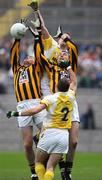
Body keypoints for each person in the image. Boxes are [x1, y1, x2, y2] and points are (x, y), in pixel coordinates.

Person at [28, 2, 80, 180]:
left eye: (64, 49)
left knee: (74, 141)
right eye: (61, 45)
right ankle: (61, 170)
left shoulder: (70, 54)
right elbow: (43, 29)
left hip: (71, 101)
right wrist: (37, 11)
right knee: (59, 139)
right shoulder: (52, 60)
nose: (63, 52)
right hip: (58, 102)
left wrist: (65, 37)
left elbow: (69, 43)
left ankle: (66, 169)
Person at [7, 65, 77, 180]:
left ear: (55, 86)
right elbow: (74, 81)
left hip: (49, 133)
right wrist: (68, 67)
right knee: (50, 168)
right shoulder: (71, 96)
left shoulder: (50, 98)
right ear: (69, 87)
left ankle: (38, 138)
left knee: (38, 163)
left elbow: (35, 110)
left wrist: (17, 113)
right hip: (64, 136)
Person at [9, 21, 46, 180]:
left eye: (31, 57)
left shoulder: (36, 68)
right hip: (22, 105)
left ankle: (46, 162)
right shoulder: (17, 68)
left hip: (36, 103)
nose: (28, 58)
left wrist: (36, 37)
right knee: (26, 144)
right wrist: (18, 38)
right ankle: (33, 172)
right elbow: (14, 54)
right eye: (27, 56)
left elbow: (39, 52)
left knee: (46, 133)